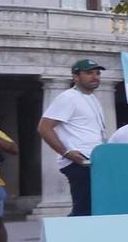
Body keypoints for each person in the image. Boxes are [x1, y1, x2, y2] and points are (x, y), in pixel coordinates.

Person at [39, 58, 110, 216]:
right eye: (89, 73)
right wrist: (66, 153)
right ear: (75, 76)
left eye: (97, 73)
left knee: (94, 208)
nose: (95, 77)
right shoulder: (68, 97)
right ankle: (65, 239)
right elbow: (44, 128)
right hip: (79, 161)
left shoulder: (92, 98)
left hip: (94, 161)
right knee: (84, 209)